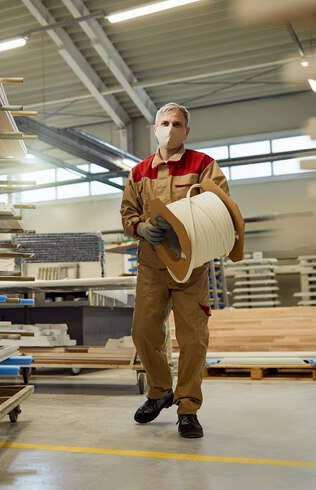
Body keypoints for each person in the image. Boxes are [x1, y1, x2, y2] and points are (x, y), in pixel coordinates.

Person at [120, 102, 229, 438]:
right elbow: (127, 214)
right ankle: (159, 390)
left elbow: (221, 204)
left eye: (177, 123)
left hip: (191, 266)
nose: (170, 128)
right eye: (164, 123)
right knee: (143, 332)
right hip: (153, 265)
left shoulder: (204, 165)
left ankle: (188, 407)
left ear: (187, 131)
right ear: (155, 129)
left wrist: (187, 226)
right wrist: (140, 228)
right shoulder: (139, 173)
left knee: (193, 339)